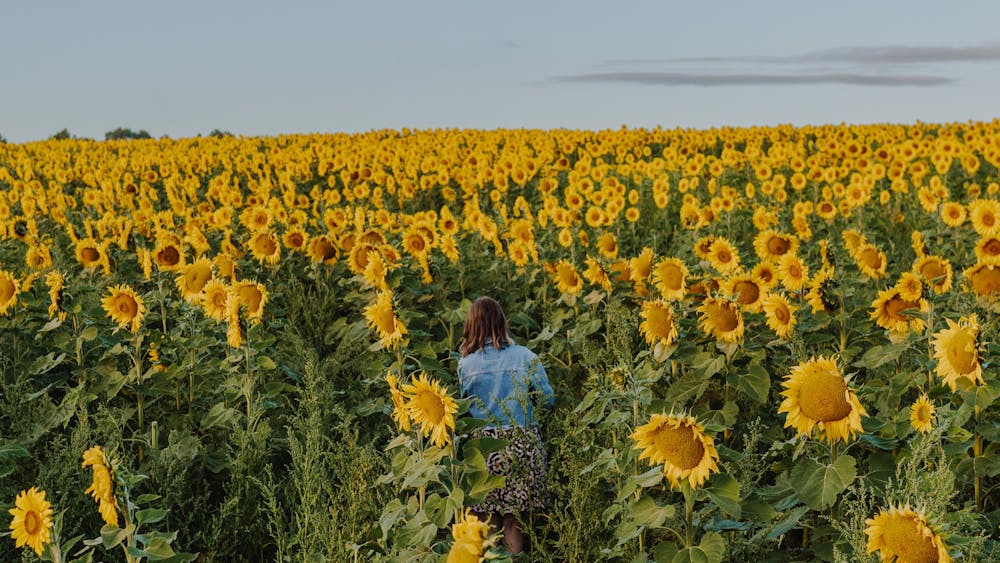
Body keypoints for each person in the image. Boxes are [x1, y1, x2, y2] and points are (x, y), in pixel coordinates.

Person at [457, 296, 554, 556]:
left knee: (488, 518)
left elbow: (462, 409)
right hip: (521, 443)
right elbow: (548, 400)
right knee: (515, 519)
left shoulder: (466, 365)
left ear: (472, 326)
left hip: (483, 448)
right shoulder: (525, 356)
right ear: (502, 323)